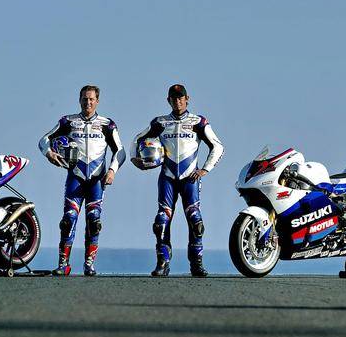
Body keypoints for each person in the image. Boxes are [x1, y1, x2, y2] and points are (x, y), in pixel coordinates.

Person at [131, 84, 224, 277]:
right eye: (174, 98)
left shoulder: (198, 122)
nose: (177, 101)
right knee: (161, 222)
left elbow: (218, 146)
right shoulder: (160, 122)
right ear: (168, 100)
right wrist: (135, 159)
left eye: (181, 97)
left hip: (190, 178)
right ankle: (162, 263)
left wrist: (205, 169)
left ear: (187, 99)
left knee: (196, 221)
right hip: (167, 178)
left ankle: (196, 264)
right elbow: (137, 139)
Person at [39, 85, 126, 276]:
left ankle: (89, 264)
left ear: (97, 101)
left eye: (91, 99)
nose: (88, 102)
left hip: (96, 181)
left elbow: (120, 151)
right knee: (68, 220)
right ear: (79, 100)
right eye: (85, 99)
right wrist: (49, 153)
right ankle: (63, 264)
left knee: (94, 221)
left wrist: (112, 171)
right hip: (75, 178)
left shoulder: (107, 124)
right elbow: (44, 140)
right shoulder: (68, 121)